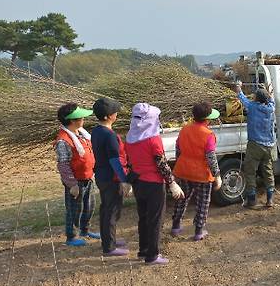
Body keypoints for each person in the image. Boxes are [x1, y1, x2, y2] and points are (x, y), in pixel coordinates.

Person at [125, 103, 184, 265]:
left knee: (143, 218)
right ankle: (152, 255)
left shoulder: (130, 137)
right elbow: (162, 164)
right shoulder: (153, 140)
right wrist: (172, 184)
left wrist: (128, 182)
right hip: (153, 185)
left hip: (138, 183)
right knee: (155, 219)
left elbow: (130, 162)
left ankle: (143, 250)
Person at [171, 102, 223, 240]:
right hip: (202, 175)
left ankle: (176, 226)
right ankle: (199, 231)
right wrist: (217, 175)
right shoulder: (208, 135)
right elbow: (211, 157)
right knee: (203, 202)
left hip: (183, 171)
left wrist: (180, 164)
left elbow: (178, 149)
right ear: (207, 119)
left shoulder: (184, 129)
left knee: (182, 199)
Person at [54, 103, 100, 246]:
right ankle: (71, 236)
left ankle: (85, 230)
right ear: (73, 120)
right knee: (74, 209)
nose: (83, 119)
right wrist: (72, 184)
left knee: (89, 206)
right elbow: (63, 164)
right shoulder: (63, 140)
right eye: (80, 117)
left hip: (87, 178)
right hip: (75, 181)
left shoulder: (81, 134)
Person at [91, 97, 132, 257]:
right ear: (108, 116)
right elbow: (115, 160)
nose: (116, 114)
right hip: (111, 177)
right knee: (112, 211)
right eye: (114, 112)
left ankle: (109, 240)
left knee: (106, 209)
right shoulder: (109, 136)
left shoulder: (96, 131)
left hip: (102, 175)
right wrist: (124, 180)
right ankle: (109, 247)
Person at [234, 80, 277, 208]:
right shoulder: (271, 108)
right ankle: (270, 200)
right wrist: (266, 90)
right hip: (269, 145)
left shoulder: (252, 107)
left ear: (256, 99)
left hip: (255, 145)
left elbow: (242, 98)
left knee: (250, 171)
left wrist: (239, 88)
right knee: (268, 171)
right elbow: (271, 99)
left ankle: (252, 200)